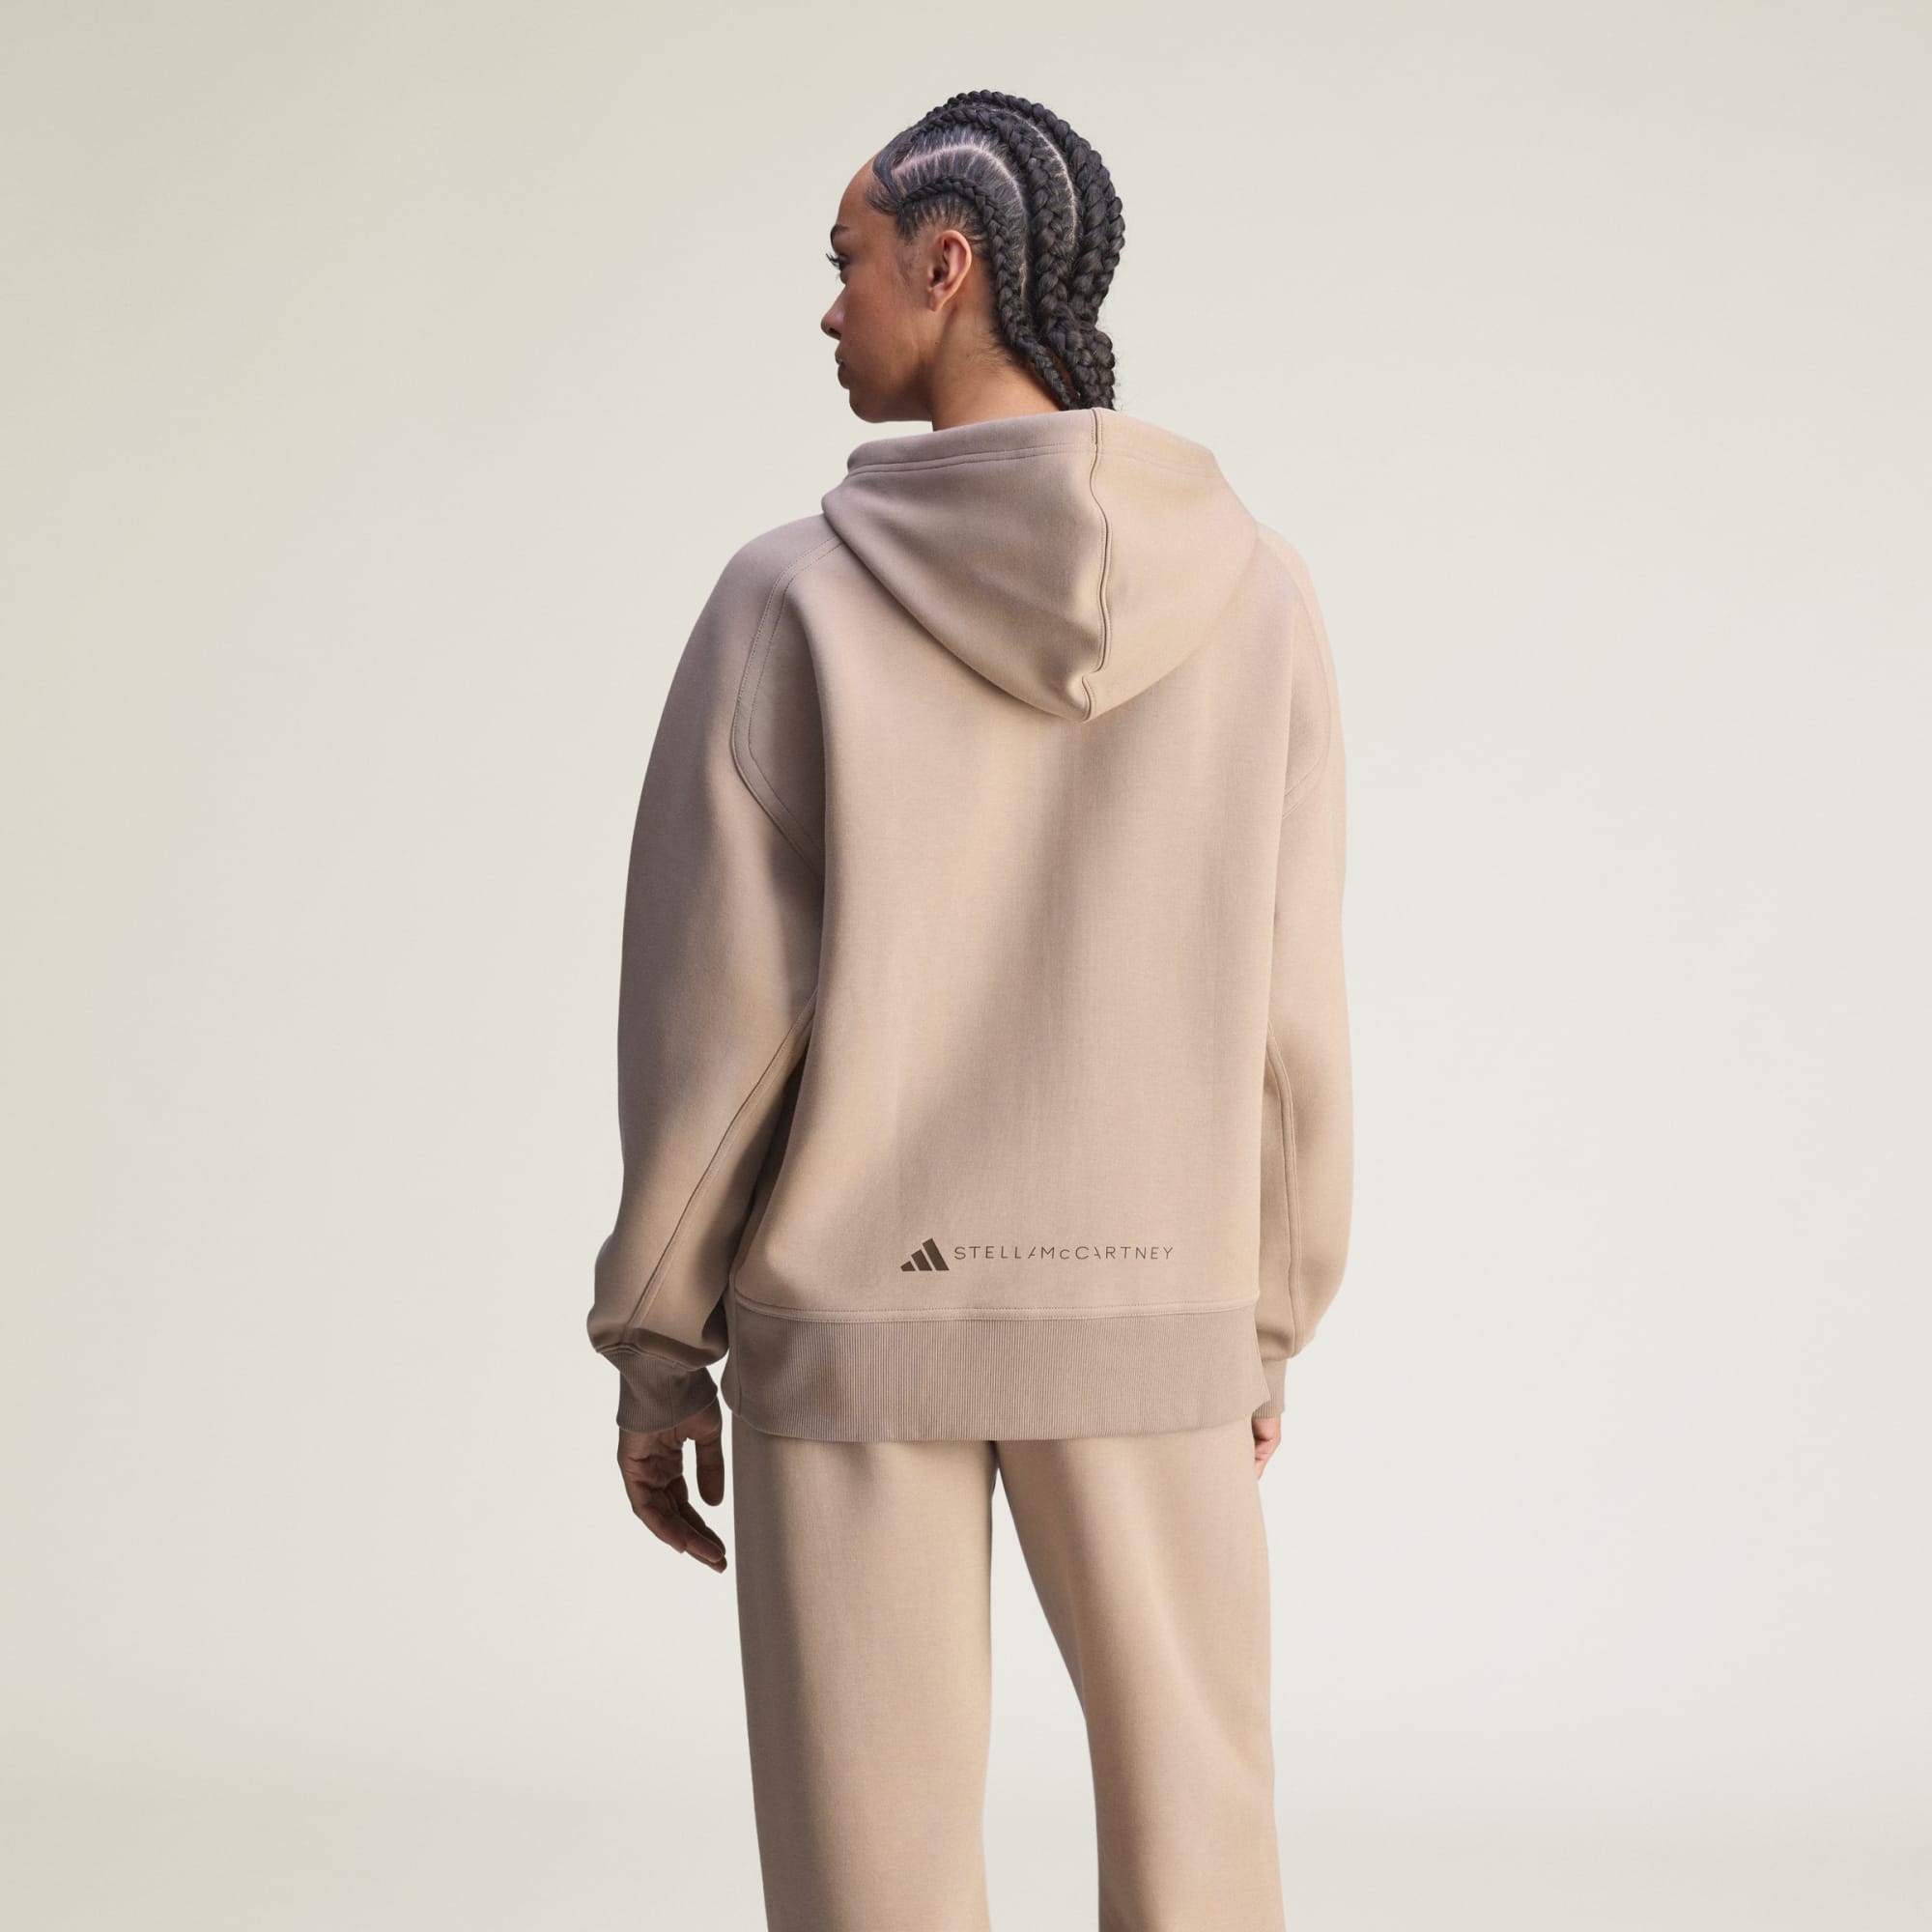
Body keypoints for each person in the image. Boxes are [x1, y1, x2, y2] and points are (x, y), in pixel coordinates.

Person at [586, 89, 1352, 1932]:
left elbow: (720, 1023)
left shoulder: (790, 601)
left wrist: (656, 1346)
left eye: (847, 261)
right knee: (1204, 1847)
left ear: (948, 268)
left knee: (873, 1880)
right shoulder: (1258, 597)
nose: (828, 305)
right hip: (1153, 1304)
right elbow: (1287, 1018)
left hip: (858, 1326)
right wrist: (1258, 1324)